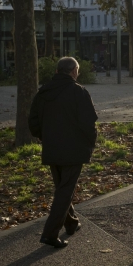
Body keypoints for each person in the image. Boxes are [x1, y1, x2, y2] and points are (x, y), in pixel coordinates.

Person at [28, 57, 98, 248]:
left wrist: (46, 137)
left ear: (58, 71)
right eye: (78, 70)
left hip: (52, 148)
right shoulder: (78, 92)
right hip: (74, 150)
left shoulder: (43, 92)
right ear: (73, 71)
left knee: (62, 189)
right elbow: (88, 124)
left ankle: (72, 223)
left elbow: (33, 122)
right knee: (65, 191)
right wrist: (90, 143)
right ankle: (50, 233)